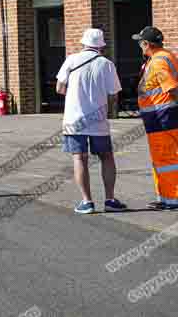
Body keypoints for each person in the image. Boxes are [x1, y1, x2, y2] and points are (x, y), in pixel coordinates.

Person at [56, 28, 126, 214]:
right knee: (107, 157)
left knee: (79, 158)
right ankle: (110, 199)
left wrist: (74, 95)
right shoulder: (106, 64)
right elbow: (114, 94)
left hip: (74, 119)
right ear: (101, 45)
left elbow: (59, 88)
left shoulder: (71, 60)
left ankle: (87, 202)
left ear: (83, 43)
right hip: (98, 120)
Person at [132, 26, 178, 210]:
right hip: (162, 117)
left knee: (165, 159)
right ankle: (166, 197)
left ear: (147, 43)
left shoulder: (159, 61)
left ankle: (172, 199)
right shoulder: (164, 56)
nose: (139, 46)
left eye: (140, 42)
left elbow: (172, 88)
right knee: (165, 158)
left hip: (162, 118)